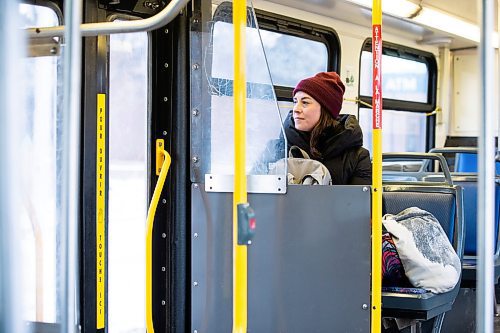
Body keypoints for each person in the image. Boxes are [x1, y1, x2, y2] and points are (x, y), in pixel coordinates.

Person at [284, 71, 372, 185]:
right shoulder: (278, 149)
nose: (296, 109)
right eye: (295, 101)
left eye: (305, 102)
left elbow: (357, 201)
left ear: (326, 109)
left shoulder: (357, 158)